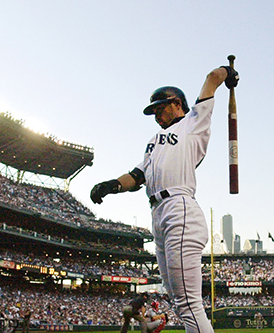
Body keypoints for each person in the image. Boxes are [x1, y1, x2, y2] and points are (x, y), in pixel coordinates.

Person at [91, 63, 238, 333]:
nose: (157, 115)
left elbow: (212, 77)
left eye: (161, 108)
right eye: (154, 111)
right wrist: (111, 185)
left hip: (179, 207)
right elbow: (137, 176)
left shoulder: (194, 123)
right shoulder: (153, 141)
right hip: (157, 214)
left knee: (188, 303)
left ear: (177, 104)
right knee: (177, 298)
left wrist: (229, 75)